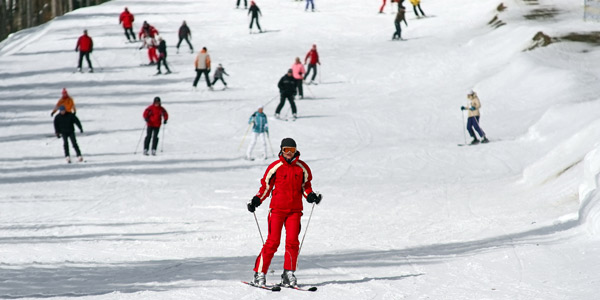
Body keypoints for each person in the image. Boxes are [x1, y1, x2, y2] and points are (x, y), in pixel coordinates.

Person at [247, 137, 322, 287]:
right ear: (281, 150)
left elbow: (305, 186)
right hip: (277, 210)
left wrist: (310, 196)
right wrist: (257, 200)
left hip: (295, 211)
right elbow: (266, 187)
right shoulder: (275, 167)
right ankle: (259, 273)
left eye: (292, 150)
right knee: (273, 242)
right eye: (286, 150)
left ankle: (288, 273)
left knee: (293, 243)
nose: (289, 153)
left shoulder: (302, 168)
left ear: (296, 151)